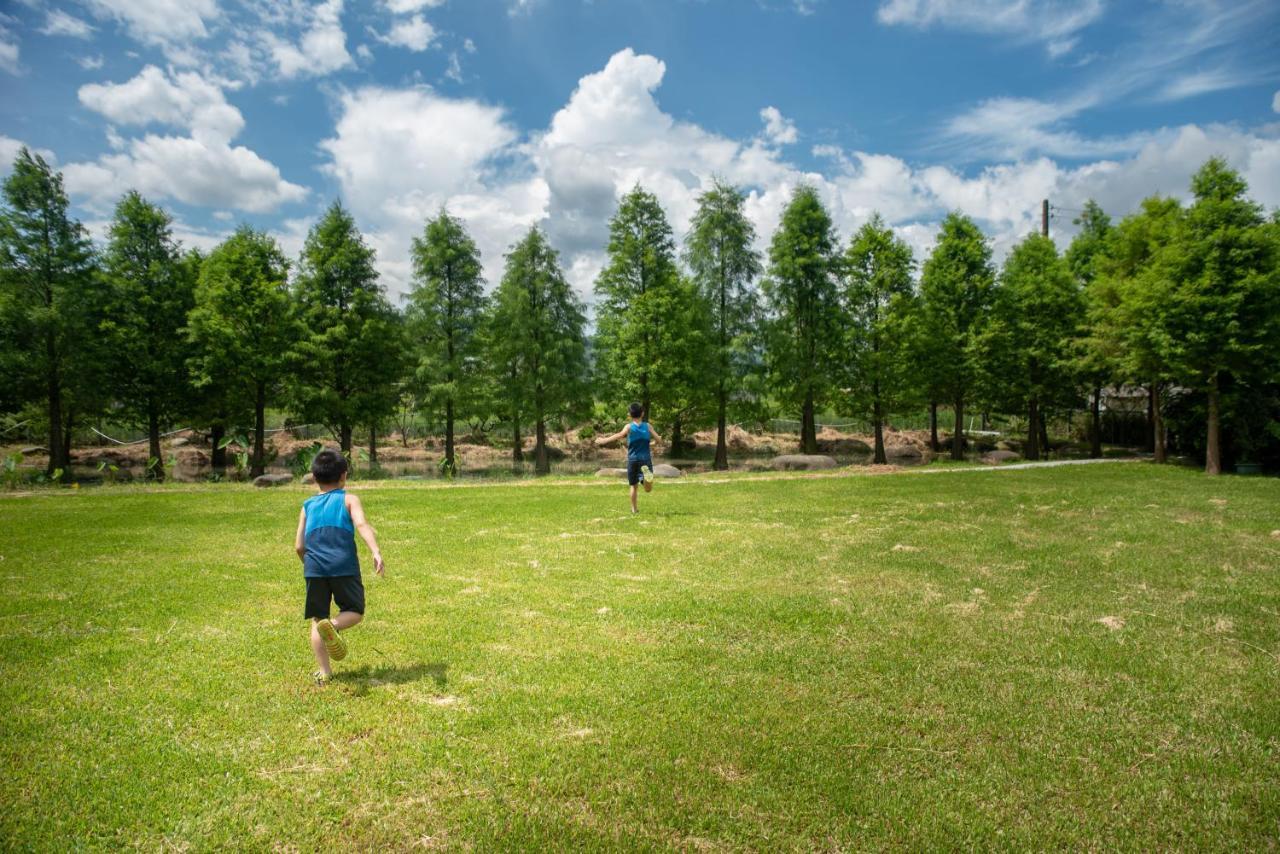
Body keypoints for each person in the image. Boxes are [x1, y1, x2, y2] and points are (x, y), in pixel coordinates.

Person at [294, 448, 385, 685]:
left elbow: (298, 546)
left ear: (314, 477)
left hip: (314, 569)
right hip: (343, 566)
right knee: (354, 611)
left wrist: (310, 565)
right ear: (344, 476)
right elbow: (362, 524)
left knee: (317, 619)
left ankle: (325, 671)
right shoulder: (349, 499)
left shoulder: (307, 506)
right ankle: (332, 626)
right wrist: (375, 551)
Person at [596, 402, 663, 514]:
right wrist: (654, 442)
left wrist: (604, 440)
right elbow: (659, 441)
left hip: (633, 460)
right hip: (645, 459)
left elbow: (618, 435)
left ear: (630, 415)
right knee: (648, 489)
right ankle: (647, 478)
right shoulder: (647, 426)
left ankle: (634, 510)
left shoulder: (629, 427)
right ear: (642, 413)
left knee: (633, 485)